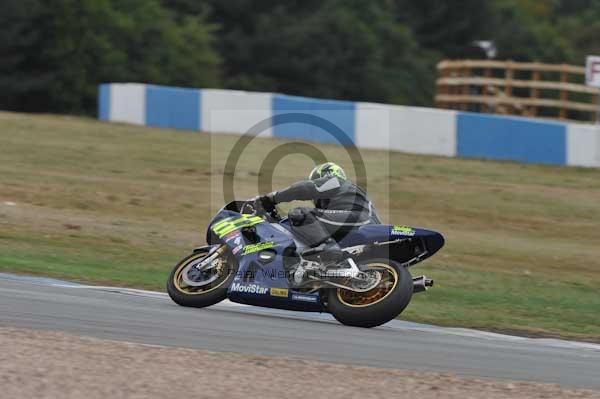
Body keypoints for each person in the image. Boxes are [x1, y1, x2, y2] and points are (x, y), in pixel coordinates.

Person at [254, 162, 380, 268]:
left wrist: (270, 198)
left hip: (359, 219)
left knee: (300, 214)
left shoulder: (335, 181)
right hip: (362, 227)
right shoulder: (343, 196)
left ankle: (328, 248)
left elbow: (304, 188)